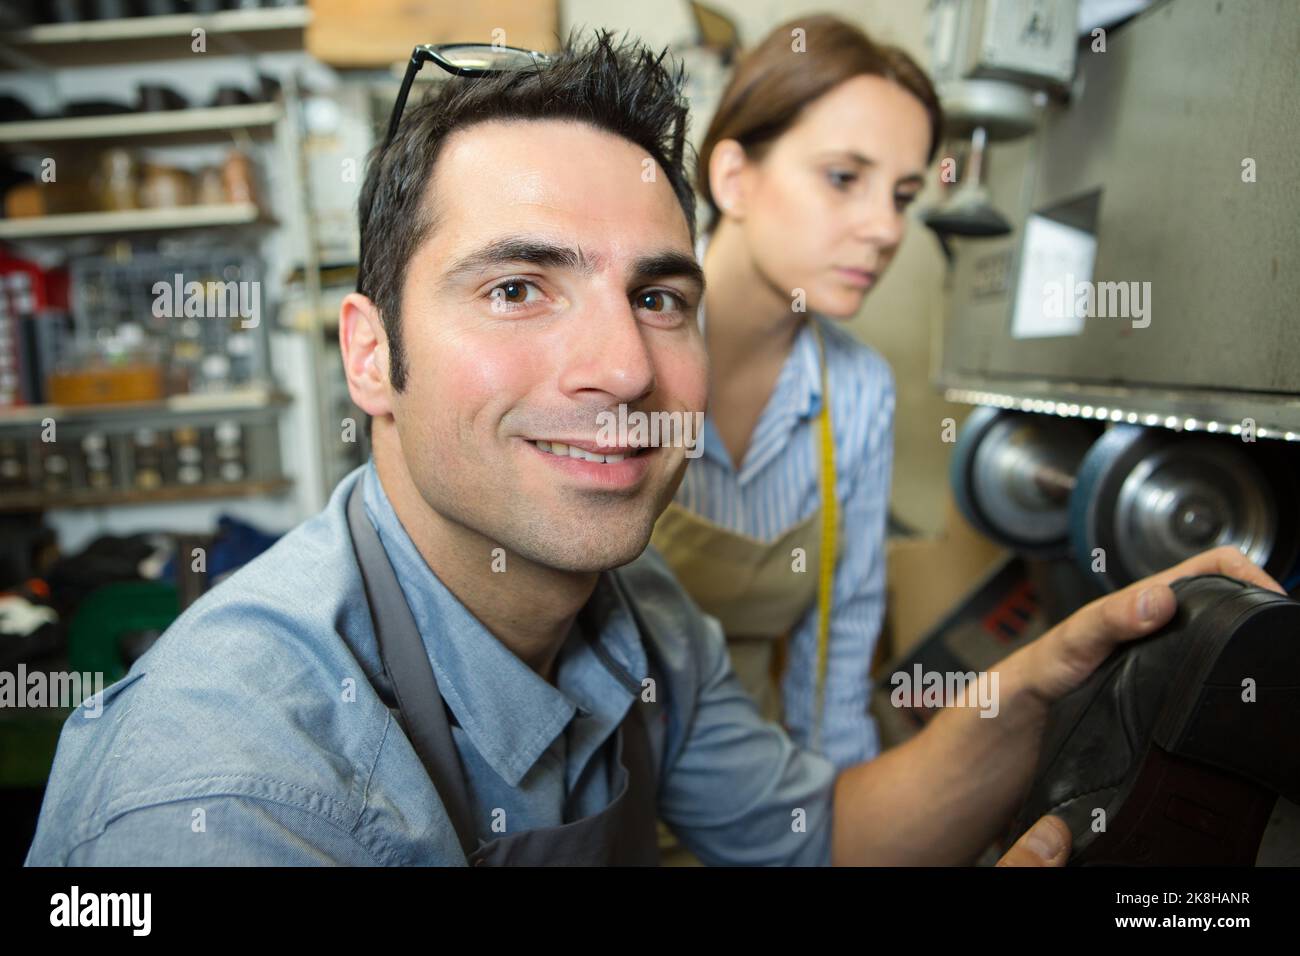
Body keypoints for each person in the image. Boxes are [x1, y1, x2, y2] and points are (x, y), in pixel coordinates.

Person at [25, 30, 1281, 866]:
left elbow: (821, 827)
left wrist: (1031, 691)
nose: (624, 368)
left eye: (659, 297)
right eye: (517, 287)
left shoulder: (640, 621)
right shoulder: (233, 795)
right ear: (369, 355)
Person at [651, 15, 940, 767]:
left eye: (903, 195)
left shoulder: (858, 391)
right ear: (734, 178)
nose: (884, 228)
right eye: (844, 178)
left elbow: (840, 646)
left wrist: (835, 815)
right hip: (596, 794)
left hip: (752, 784)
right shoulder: (619, 355)